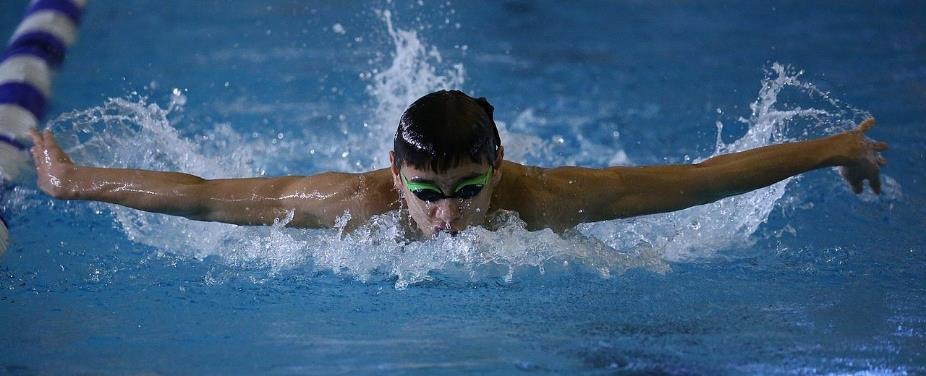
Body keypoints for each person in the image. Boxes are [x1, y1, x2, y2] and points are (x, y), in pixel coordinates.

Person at [29, 90, 887, 238]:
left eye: (470, 192)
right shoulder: (350, 204)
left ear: (499, 167)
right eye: (430, 196)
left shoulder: (541, 202)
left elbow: (697, 179)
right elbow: (212, 201)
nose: (448, 219)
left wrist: (832, 148)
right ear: (395, 177)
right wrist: (73, 181)